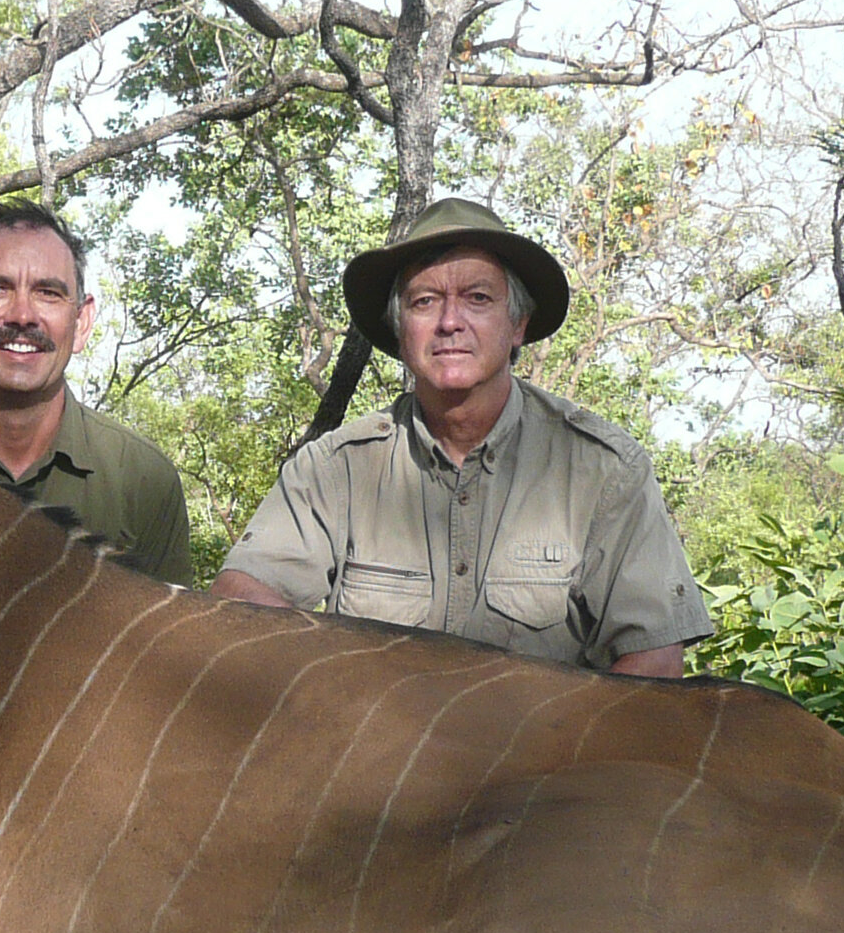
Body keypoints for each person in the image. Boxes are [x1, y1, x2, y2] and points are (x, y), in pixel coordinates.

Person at [212, 196, 709, 674]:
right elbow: (242, 595)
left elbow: (655, 659)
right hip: (379, 753)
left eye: (477, 298)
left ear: (517, 325)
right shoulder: (334, 468)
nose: (450, 323)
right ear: (400, 329)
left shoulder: (603, 469)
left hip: (547, 757)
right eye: (424, 302)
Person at [0, 200, 194, 584]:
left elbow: (162, 640)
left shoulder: (143, 479)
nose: (22, 315)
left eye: (48, 293)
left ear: (81, 322)